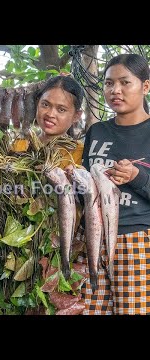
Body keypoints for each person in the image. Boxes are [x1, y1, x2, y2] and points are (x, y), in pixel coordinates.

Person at [77, 53, 150, 315]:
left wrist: (136, 177)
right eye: (108, 83)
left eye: (124, 82)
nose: (115, 90)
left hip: (135, 241)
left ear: (145, 86)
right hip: (92, 241)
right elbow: (84, 188)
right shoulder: (97, 131)